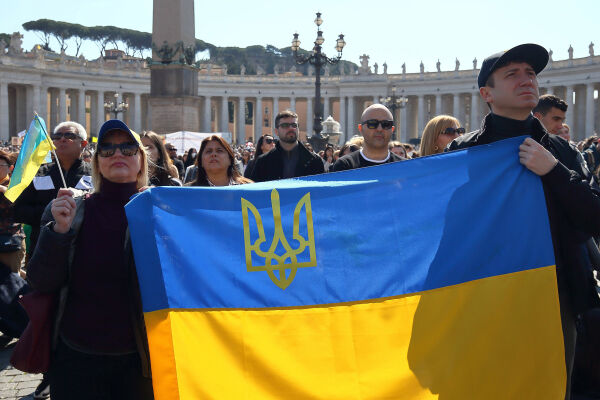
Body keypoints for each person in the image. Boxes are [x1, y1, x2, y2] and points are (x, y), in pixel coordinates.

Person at [447, 43, 600, 399]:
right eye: (512, 74)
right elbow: (451, 230)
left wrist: (554, 173)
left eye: (531, 73)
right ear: (487, 93)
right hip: (487, 297)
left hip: (558, 296)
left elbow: (593, 218)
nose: (526, 79)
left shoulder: (562, 152)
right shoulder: (463, 152)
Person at [27, 119, 153, 399]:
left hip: (141, 356)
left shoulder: (159, 212)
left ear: (141, 161)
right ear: (97, 163)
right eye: (106, 149)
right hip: (76, 353)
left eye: (127, 148)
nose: (117, 154)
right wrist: (59, 231)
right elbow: (41, 281)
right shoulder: (71, 209)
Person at [13, 121, 92, 262]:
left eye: (69, 135)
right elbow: (18, 210)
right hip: (43, 249)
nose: (62, 139)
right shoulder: (37, 174)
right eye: (57, 136)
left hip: (84, 250)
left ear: (84, 143)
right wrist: (51, 214)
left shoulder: (95, 175)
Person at [249, 110, 324, 182]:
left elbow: (321, 192)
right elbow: (256, 192)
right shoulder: (263, 162)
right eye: (285, 125)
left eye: (294, 125)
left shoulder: (314, 161)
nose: (291, 128)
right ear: (276, 131)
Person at [333, 104, 404, 171]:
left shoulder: (405, 166)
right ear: (361, 128)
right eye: (372, 124)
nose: (379, 129)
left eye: (386, 124)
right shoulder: (345, 165)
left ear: (392, 129)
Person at [188, 135, 253, 187]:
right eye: (208, 151)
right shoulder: (188, 192)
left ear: (230, 159)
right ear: (201, 161)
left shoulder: (249, 188)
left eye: (219, 151)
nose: (213, 154)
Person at [0, 150, 25, 277]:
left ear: (10, 168)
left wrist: (6, 192)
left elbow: (20, 208)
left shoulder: (16, 186)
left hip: (8, 243)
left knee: (10, 283)